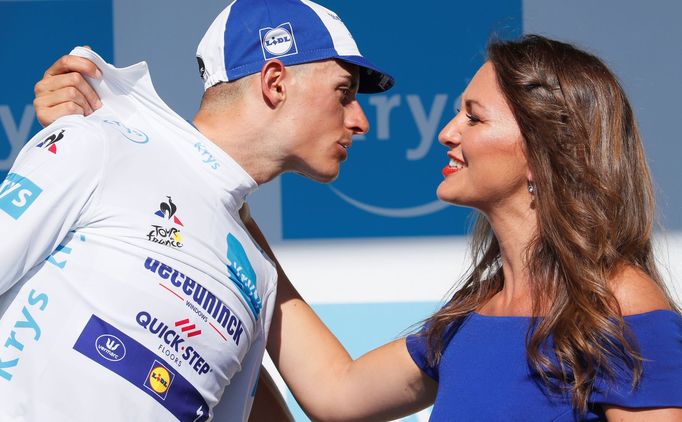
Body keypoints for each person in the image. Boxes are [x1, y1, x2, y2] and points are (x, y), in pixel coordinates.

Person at [33, 36, 682, 421]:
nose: (447, 132)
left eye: (474, 117)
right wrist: (220, 204)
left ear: (546, 148)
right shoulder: (463, 322)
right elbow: (335, 393)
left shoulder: (620, 307)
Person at [0, 0, 393, 421]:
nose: (360, 121)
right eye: (344, 93)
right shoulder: (99, 145)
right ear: (275, 82)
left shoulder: (259, 276)